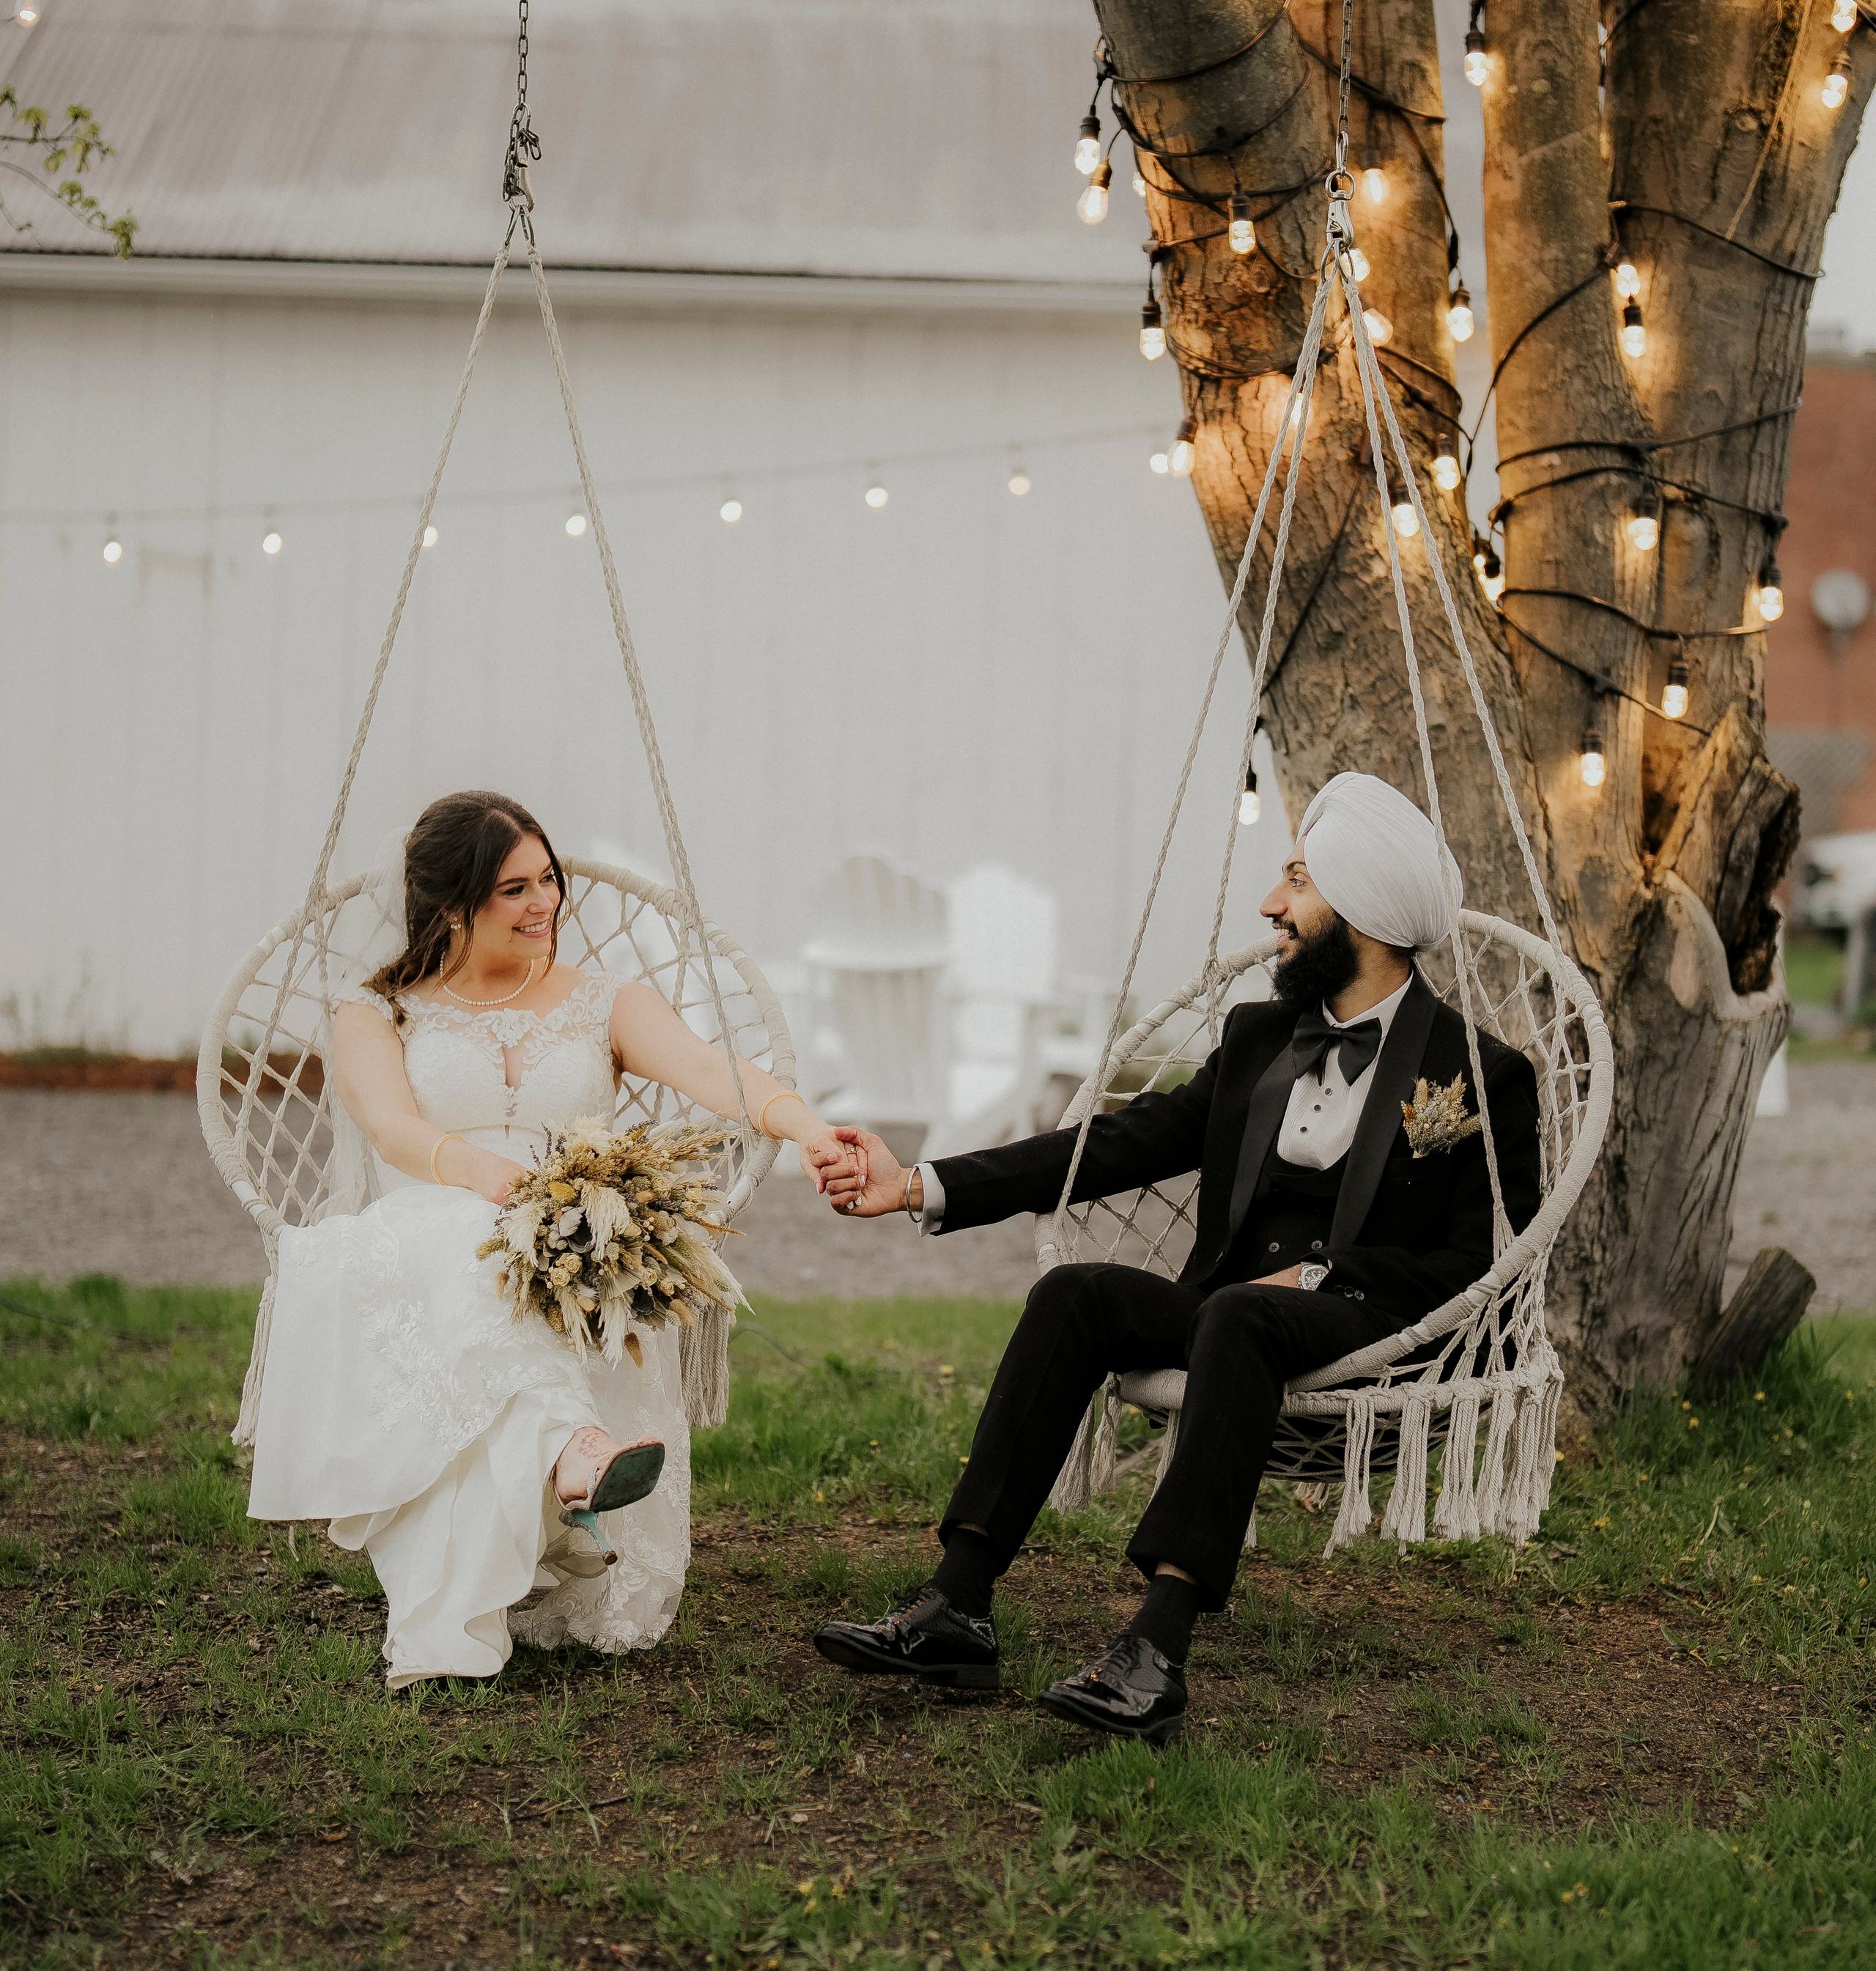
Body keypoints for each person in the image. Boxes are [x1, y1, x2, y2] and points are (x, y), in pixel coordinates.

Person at [810, 773, 1541, 1745]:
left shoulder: (1481, 1072)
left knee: (1240, 1310)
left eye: (1297, 881)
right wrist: (920, 1183)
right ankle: (957, 1605)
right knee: (1075, 1293)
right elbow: (1115, 1144)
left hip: (1370, 1328)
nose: (1271, 904)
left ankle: (1155, 1650)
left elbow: (1486, 1263)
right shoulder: (1259, 1035)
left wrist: (1318, 1278)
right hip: (1233, 1319)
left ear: (1363, 910)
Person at [246, 791, 852, 1689]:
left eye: (548, 879)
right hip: (424, 1237)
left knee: (516, 1262)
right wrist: (485, 1177)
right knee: (471, 1236)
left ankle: (551, 1488)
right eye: (514, 889)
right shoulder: (377, 1009)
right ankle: (572, 1452)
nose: (545, 904)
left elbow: (709, 1070)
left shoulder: (606, 1001)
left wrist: (808, 1128)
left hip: (572, 1241)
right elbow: (388, 1125)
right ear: (453, 905)